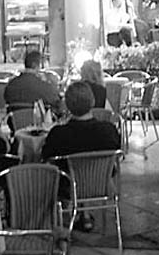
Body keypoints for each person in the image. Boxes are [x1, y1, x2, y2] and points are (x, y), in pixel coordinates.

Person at [41, 81, 120, 232]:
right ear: (92, 102)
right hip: (102, 184)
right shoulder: (109, 131)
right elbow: (117, 156)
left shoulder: (59, 134)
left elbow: (46, 157)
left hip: (69, 187)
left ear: (68, 105)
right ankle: (84, 215)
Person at [4, 50, 63, 116]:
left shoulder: (11, 85)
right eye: (42, 65)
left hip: (14, 123)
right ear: (35, 65)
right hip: (38, 123)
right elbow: (56, 101)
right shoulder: (43, 87)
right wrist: (54, 84)